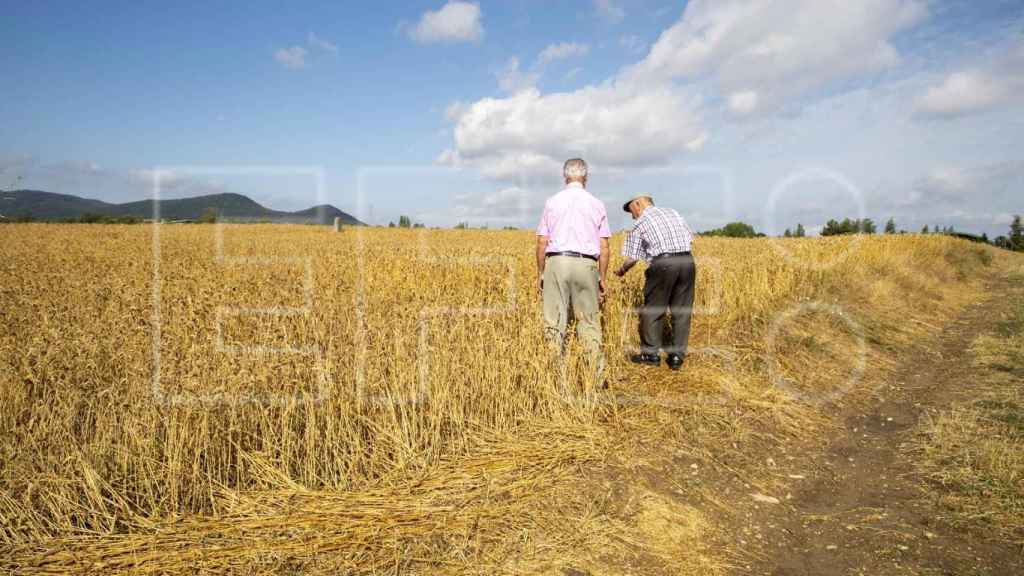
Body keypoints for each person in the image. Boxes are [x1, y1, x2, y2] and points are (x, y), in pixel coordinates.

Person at [536, 158, 611, 381]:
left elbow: (541, 241)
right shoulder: (597, 204)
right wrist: (602, 277)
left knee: (554, 323)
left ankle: (553, 378)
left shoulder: (552, 202)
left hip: (556, 262)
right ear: (586, 177)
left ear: (564, 176)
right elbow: (605, 246)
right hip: (587, 263)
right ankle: (595, 379)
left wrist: (541, 273)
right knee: (588, 323)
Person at [614, 195, 696, 370]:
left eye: (631, 210)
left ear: (639, 203)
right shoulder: (673, 212)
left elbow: (633, 257)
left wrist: (622, 270)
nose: (632, 215)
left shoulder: (641, 222)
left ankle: (651, 355)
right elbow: (690, 237)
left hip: (663, 264)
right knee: (682, 311)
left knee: (654, 309)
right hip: (688, 261)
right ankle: (676, 357)